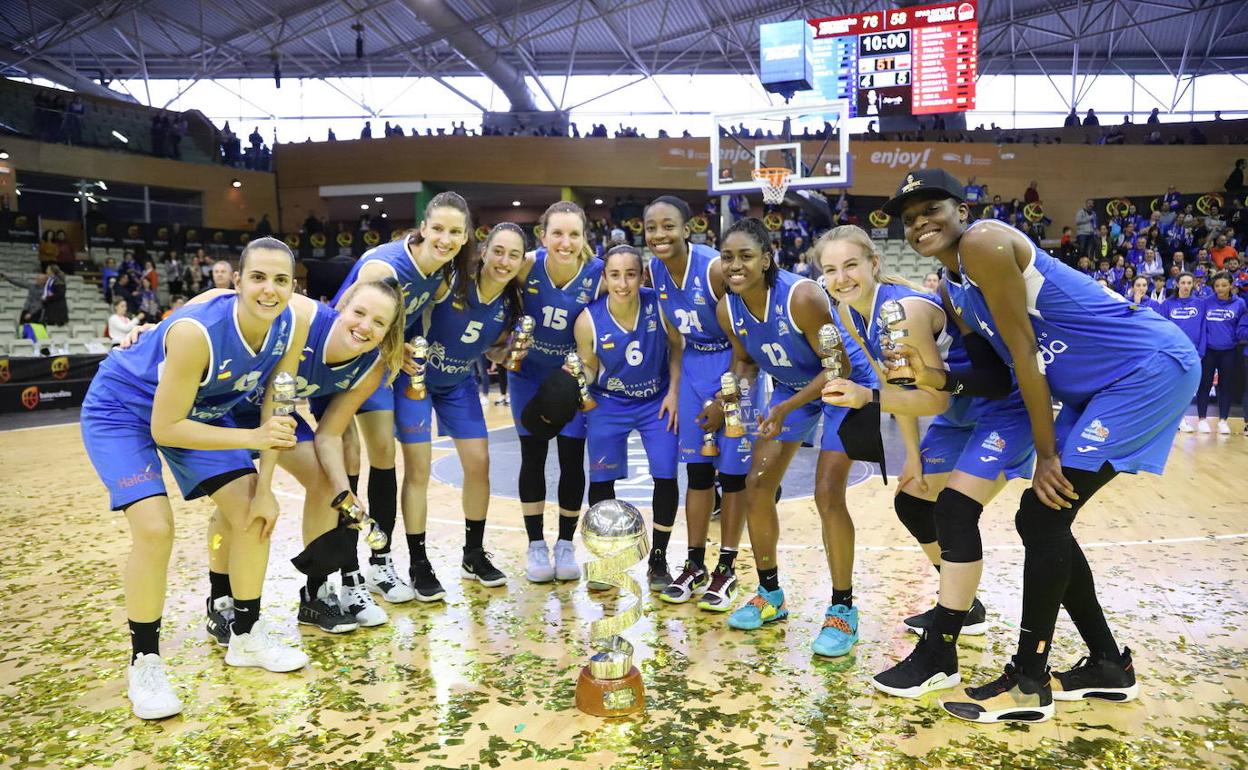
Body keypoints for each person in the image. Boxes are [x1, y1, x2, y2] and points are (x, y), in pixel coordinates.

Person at [886, 168, 1199, 724]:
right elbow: (992, 372)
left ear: (963, 209)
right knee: (1045, 519)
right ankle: (1106, 665)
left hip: (1143, 368)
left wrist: (1047, 453)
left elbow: (1027, 353)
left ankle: (1030, 682)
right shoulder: (951, 286)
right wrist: (934, 380)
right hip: (1096, 386)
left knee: (1042, 513)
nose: (919, 224)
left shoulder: (984, 242)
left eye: (931, 209)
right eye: (909, 220)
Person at [79, 237, 310, 720]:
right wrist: (253, 435)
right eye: (259, 278)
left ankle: (245, 636)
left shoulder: (289, 324)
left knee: (252, 514)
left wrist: (265, 487)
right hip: (123, 411)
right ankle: (145, 661)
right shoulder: (195, 333)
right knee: (155, 529)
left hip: (196, 413)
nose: (270, 290)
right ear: (237, 282)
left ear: (294, 285)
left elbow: (279, 405)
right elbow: (166, 427)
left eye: (281, 280)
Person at [815, 226, 1033, 698]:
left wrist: (866, 396)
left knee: (955, 511)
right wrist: (912, 456)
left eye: (850, 265)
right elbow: (901, 393)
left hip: (1001, 408)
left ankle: (941, 652)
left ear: (873, 263)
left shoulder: (905, 310)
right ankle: (965, 606)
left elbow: (928, 399)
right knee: (913, 502)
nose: (841, 276)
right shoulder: (852, 313)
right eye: (830, 270)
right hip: (956, 417)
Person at [712, 218, 876, 660]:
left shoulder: (801, 296)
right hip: (792, 389)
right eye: (727, 257)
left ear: (767, 259)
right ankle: (770, 595)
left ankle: (843, 608)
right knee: (757, 485)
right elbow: (745, 361)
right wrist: (723, 397)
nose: (735, 265)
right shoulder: (728, 307)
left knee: (827, 493)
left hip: (842, 387)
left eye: (746, 256)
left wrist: (783, 408)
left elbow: (835, 366)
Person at [328, 192, 473, 604]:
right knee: (348, 457)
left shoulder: (442, 276)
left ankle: (380, 561)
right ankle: (347, 571)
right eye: (439, 229)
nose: (445, 239)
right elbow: (343, 317)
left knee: (383, 457)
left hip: (377, 368)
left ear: (464, 239)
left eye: (454, 232)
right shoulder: (384, 266)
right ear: (423, 228)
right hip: (339, 365)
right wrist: (395, 348)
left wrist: (402, 348)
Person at [390, 222, 529, 598]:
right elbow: (399, 306)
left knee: (478, 463)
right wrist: (395, 346)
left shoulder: (509, 305)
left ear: (521, 262)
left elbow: (494, 350)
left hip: (457, 385)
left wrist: (511, 353)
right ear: (483, 251)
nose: (504, 261)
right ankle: (418, 561)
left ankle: (473, 553)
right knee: (417, 469)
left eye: (513, 255)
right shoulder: (448, 283)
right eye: (498, 251)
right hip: (414, 381)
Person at [644, 196, 752, 610]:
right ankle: (694, 564)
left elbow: (746, 336)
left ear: (687, 229)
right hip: (692, 368)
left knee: (734, 475)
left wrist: (728, 396)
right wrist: (674, 390)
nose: (659, 235)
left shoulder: (711, 269)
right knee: (698, 472)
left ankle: (726, 567)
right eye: (651, 227)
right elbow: (675, 339)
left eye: (668, 226)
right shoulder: (655, 269)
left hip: (733, 366)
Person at [573, 245, 683, 588]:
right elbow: (589, 369)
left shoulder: (659, 305)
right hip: (609, 403)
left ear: (642, 276)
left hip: (656, 402)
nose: (623, 283)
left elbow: (677, 347)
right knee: (603, 482)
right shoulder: (588, 319)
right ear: (604, 278)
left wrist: (675, 392)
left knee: (665, 475)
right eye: (615, 275)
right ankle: (607, 560)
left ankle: (659, 561)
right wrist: (575, 382)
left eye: (630, 274)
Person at [509, 202, 603, 584]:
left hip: (570, 378)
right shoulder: (525, 265)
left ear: (584, 239)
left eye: (574, 234)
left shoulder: (598, 275)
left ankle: (565, 544)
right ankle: (535, 546)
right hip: (528, 376)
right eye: (558, 234)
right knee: (532, 457)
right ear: (543, 235)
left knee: (570, 458)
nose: (565, 242)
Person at [1195, 272, 1245, 435]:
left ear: (1231, 285)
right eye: (1217, 286)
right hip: (1209, 350)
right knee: (1205, 384)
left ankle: (1223, 420)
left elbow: (1242, 326)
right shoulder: (1206, 302)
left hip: (1229, 351)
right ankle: (1202, 419)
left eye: (1224, 285)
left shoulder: (1240, 304)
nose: (1220, 289)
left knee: (1226, 386)